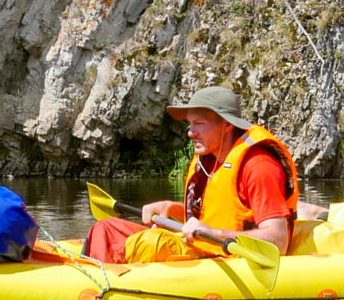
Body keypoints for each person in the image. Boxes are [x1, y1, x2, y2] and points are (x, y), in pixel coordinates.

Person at [83, 86, 299, 264]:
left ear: (226, 125)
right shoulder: (210, 157)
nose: (190, 132)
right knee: (105, 228)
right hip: (203, 247)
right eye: (190, 124)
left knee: (151, 243)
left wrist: (214, 233)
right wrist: (171, 208)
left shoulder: (259, 166)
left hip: (228, 257)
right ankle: (93, 277)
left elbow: (278, 240)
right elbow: (219, 213)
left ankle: (101, 287)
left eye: (199, 124)